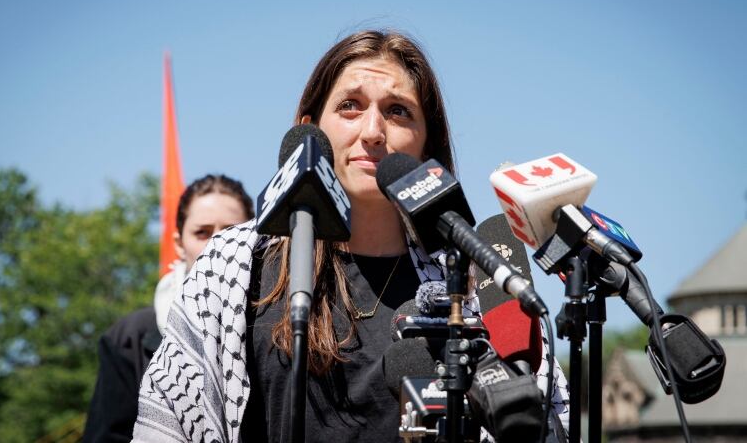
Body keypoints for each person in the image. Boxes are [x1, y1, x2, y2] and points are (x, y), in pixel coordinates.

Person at [132, 30, 570, 442]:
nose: (373, 132)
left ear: (425, 143)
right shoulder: (234, 263)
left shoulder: (474, 279)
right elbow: (170, 418)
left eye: (398, 111)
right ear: (310, 130)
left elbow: (545, 414)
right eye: (350, 106)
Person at [83, 175, 254, 443]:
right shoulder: (130, 338)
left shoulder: (276, 328)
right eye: (203, 233)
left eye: (232, 231)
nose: (218, 244)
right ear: (178, 244)